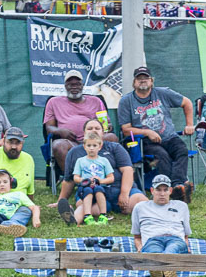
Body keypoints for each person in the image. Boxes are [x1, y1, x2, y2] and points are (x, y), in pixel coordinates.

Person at [119, 65, 193, 201]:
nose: (143, 81)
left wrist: (189, 125)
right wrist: (147, 132)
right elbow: (125, 129)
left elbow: (187, 103)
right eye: (139, 78)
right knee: (162, 156)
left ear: (151, 81)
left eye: (146, 78)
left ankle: (177, 186)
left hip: (169, 137)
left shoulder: (163, 93)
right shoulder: (126, 101)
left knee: (182, 150)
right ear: (134, 82)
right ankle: (170, 189)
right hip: (146, 142)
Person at [56, 117, 143, 219]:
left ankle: (157, 216)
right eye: (90, 128)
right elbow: (69, 180)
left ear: (103, 132)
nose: (93, 130)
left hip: (119, 188)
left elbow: (127, 170)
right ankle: (72, 216)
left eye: (97, 128)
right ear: (84, 133)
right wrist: (61, 201)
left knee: (140, 203)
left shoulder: (115, 148)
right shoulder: (75, 152)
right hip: (90, 191)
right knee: (91, 209)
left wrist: (124, 194)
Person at [44, 70, 111, 174]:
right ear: (65, 86)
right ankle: (72, 180)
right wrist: (61, 131)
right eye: (70, 84)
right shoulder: (53, 102)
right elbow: (49, 128)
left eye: (77, 84)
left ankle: (108, 177)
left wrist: (107, 127)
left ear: (83, 85)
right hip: (71, 143)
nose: (74, 87)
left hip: (96, 142)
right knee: (58, 145)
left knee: (111, 137)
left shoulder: (96, 101)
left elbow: (107, 124)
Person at [133, 174, 192, 277]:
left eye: (165, 190)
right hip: (152, 239)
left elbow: (185, 235)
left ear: (170, 191)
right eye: (158, 190)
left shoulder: (181, 206)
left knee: (171, 250)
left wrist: (186, 245)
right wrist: (140, 247)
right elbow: (137, 236)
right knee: (154, 252)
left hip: (175, 238)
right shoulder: (140, 207)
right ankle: (164, 271)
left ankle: (161, 271)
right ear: (152, 191)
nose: (162, 193)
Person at [71, 130, 116, 226]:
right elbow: (76, 178)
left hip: (101, 188)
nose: (91, 148)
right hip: (85, 188)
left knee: (98, 188)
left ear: (100, 147)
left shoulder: (104, 160)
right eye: (89, 145)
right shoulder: (80, 161)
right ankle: (87, 216)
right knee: (87, 190)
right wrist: (84, 180)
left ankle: (103, 215)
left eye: (94, 146)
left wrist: (101, 180)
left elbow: (111, 178)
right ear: (84, 147)